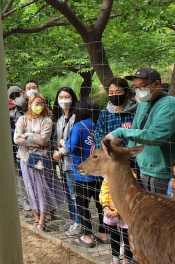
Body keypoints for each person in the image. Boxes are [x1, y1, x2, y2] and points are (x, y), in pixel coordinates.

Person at [107, 68, 175, 195]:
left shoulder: (170, 105)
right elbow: (136, 130)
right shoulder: (143, 104)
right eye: (136, 87)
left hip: (168, 174)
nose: (139, 91)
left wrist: (120, 132)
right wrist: (127, 156)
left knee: (165, 214)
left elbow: (156, 136)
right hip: (145, 172)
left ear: (157, 84)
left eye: (142, 86)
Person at [64, 97, 109, 247]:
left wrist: (61, 143)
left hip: (82, 175)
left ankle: (87, 236)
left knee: (82, 205)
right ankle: (103, 234)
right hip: (101, 174)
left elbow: (71, 146)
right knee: (101, 204)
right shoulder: (100, 125)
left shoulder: (78, 126)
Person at [14, 93, 60, 231]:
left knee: (41, 188)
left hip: (41, 160)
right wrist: (37, 141)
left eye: (41, 103)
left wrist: (27, 136)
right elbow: (16, 139)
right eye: (36, 103)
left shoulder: (46, 121)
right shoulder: (22, 119)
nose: (38, 106)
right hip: (25, 158)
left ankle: (42, 219)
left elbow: (44, 139)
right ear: (30, 104)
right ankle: (35, 216)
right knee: (30, 188)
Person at [51, 87, 80, 235]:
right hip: (62, 163)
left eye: (67, 96)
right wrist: (57, 150)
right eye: (61, 97)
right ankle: (72, 219)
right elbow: (58, 139)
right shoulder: (60, 118)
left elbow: (72, 141)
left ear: (73, 98)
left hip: (73, 162)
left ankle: (79, 223)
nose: (64, 100)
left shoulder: (76, 117)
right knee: (68, 193)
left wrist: (61, 151)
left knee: (75, 194)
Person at [99, 172, 135, 264]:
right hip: (110, 210)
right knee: (113, 234)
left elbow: (129, 194)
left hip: (125, 210)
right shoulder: (108, 176)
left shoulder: (131, 176)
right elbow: (104, 191)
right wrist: (106, 207)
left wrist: (117, 210)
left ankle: (127, 259)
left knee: (127, 236)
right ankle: (115, 258)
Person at [8, 86, 31, 212]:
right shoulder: (13, 111)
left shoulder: (33, 105)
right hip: (17, 148)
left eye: (17, 95)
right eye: (12, 97)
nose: (15, 99)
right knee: (20, 176)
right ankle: (23, 200)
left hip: (33, 148)